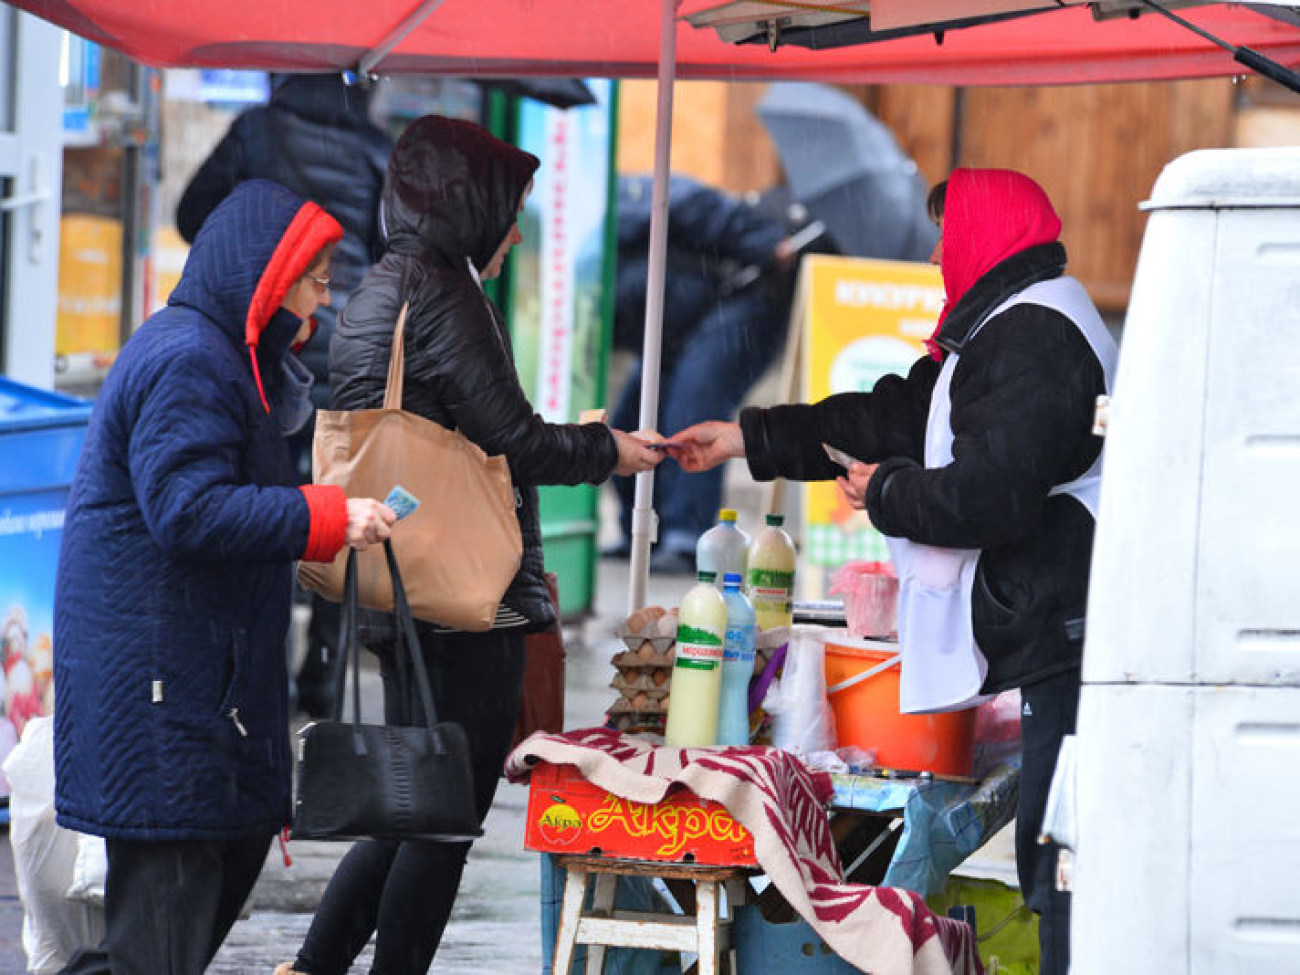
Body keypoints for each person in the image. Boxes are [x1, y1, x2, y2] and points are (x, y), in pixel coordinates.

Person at [670, 168, 1116, 975]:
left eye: (951, 235)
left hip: (1074, 639)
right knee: (1054, 851)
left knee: (1062, 860)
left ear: (986, 236)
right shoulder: (1000, 329)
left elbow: (991, 495)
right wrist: (745, 437)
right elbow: (885, 416)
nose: (941, 253)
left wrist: (888, 492)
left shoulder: (1034, 337)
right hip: (1057, 630)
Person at [276, 115, 662, 975]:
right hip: (459, 596)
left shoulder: (384, 284)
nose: (514, 229)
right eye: (507, 207)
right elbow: (515, 442)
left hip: (396, 578)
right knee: (442, 817)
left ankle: (309, 966)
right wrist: (612, 450)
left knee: (408, 804)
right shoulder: (447, 296)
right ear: (466, 202)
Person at [52, 178, 397, 975]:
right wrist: (324, 516)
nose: (324, 295)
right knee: (162, 935)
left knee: (164, 930)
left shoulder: (222, 356)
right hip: (159, 692)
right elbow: (186, 509)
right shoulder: (189, 360)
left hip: (191, 685)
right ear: (266, 277)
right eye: (313, 278)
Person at [177, 72, 394, 718]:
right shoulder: (375, 147)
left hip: (275, 345)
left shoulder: (257, 130)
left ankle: (262, 650)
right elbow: (388, 254)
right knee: (336, 504)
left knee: (265, 496)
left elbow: (192, 214)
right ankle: (323, 668)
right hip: (353, 349)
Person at [607, 174, 800, 573]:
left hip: (745, 300)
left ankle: (685, 535)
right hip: (675, 322)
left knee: (694, 402)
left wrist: (765, 244)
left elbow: (695, 205)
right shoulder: (576, 259)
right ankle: (640, 531)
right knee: (630, 417)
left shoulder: (626, 203)